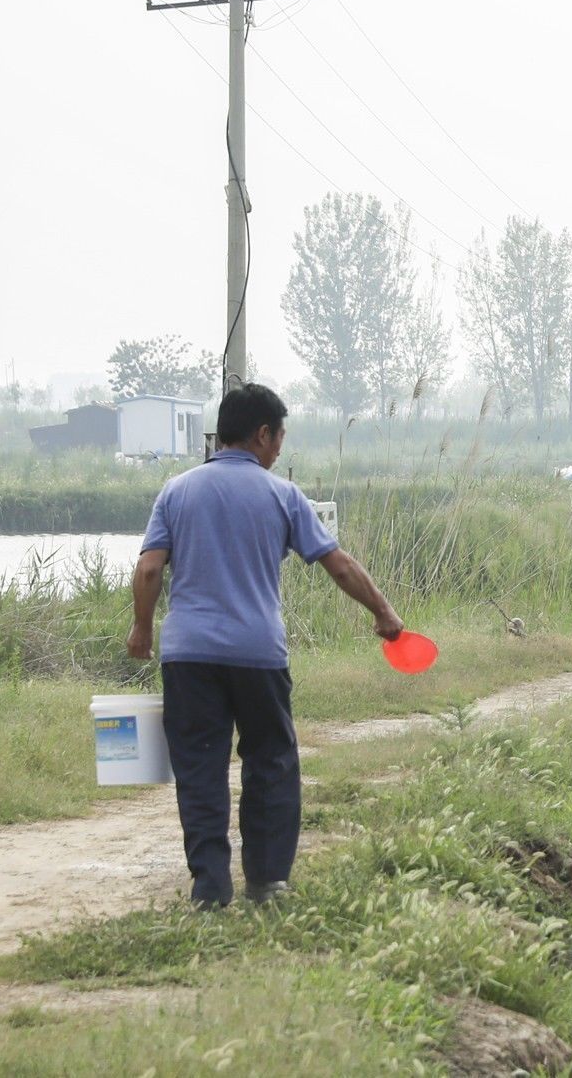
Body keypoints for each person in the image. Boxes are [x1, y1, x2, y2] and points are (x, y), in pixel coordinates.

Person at [126, 383, 403, 908]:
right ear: (261, 435)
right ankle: (267, 880)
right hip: (258, 655)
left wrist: (142, 628)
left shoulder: (177, 491)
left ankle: (210, 885)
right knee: (270, 761)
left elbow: (149, 567)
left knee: (200, 767)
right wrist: (383, 613)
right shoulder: (283, 496)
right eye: (279, 438)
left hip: (189, 657)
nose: (279, 450)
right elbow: (338, 565)